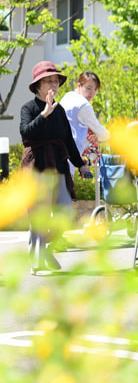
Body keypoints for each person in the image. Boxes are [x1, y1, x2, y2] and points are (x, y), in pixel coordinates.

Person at [20, 61, 92, 272]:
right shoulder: (29, 108)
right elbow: (26, 133)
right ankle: (36, 259)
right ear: (38, 86)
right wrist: (44, 114)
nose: (54, 83)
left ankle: (45, 250)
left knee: (66, 214)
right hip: (36, 167)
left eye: (56, 80)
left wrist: (80, 165)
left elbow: (68, 140)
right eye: (48, 80)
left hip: (57, 166)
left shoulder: (60, 110)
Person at [60, 71, 110, 172]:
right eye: (89, 88)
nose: (92, 93)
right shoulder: (83, 105)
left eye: (95, 90)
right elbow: (100, 132)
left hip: (58, 152)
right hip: (71, 156)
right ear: (79, 85)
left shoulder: (67, 96)